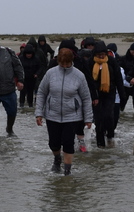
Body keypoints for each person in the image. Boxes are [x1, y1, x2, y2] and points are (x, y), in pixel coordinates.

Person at [34, 47, 93, 175]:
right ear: (58, 61)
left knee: (68, 144)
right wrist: (39, 113)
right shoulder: (50, 73)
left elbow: (86, 98)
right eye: (62, 63)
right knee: (53, 144)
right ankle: (57, 159)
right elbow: (42, 92)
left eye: (67, 63)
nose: (65, 66)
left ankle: (67, 171)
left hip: (72, 116)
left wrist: (88, 118)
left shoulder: (79, 75)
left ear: (72, 61)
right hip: (52, 115)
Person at [87, 40, 121, 147]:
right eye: (99, 54)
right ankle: (100, 144)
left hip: (109, 93)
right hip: (96, 94)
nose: (101, 56)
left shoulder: (111, 61)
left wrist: (122, 95)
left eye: (103, 54)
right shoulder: (90, 62)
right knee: (98, 119)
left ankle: (110, 135)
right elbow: (88, 80)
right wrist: (93, 96)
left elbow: (118, 78)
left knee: (108, 116)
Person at [18, 41, 43, 108]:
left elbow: (40, 67)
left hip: (32, 78)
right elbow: (18, 68)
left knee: (30, 92)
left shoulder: (36, 59)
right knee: (22, 92)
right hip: (23, 78)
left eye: (30, 54)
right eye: (27, 54)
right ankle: (21, 105)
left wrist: (37, 74)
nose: (29, 55)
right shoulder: (21, 58)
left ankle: (30, 105)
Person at [118, 42, 134, 113]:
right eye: (132, 50)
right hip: (125, 83)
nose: (133, 52)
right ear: (130, 50)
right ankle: (120, 113)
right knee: (123, 101)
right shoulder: (123, 59)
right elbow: (119, 70)